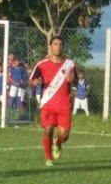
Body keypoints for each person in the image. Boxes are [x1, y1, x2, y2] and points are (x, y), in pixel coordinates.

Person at [29, 35, 76, 167]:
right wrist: (35, 82)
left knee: (65, 135)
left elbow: (75, 81)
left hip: (64, 104)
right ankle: (48, 158)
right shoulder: (41, 64)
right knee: (48, 130)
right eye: (55, 44)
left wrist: (72, 81)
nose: (58, 46)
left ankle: (58, 143)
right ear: (50, 46)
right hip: (48, 103)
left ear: (63, 46)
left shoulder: (70, 64)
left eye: (60, 44)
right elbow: (31, 80)